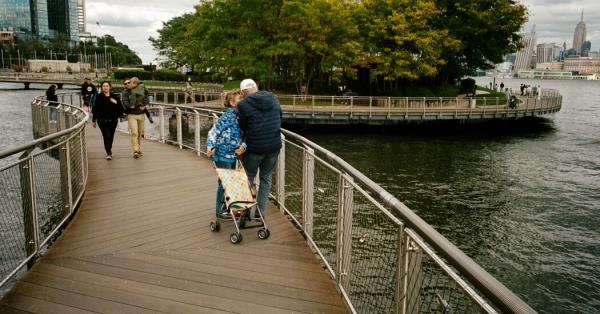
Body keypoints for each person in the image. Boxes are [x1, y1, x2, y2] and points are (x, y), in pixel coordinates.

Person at [237, 79, 282, 218]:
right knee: (266, 179)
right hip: (273, 146)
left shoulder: (243, 104)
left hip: (254, 147)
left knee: (248, 177)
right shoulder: (273, 98)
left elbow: (243, 126)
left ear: (243, 92)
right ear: (256, 87)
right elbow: (280, 117)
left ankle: (244, 213)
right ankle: (260, 214)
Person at [207, 89, 245, 218]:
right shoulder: (228, 117)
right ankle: (220, 211)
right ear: (232, 103)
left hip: (233, 155)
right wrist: (210, 146)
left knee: (229, 182)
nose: (244, 102)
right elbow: (213, 132)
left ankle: (229, 208)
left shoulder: (240, 116)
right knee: (225, 183)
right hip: (222, 155)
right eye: (241, 100)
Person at [92, 81, 125, 160]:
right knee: (106, 135)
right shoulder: (99, 97)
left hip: (113, 120)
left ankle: (109, 149)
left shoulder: (115, 97)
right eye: (104, 86)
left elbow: (121, 108)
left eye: (107, 86)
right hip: (102, 120)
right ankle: (109, 153)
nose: (105, 87)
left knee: (111, 136)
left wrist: (116, 103)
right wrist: (94, 120)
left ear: (110, 87)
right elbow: (95, 109)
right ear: (101, 87)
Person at [122, 77, 151, 158]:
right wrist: (130, 105)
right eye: (127, 83)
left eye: (130, 82)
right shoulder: (126, 92)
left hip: (141, 115)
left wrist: (144, 105)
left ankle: (138, 149)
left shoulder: (142, 90)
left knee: (139, 133)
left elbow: (147, 98)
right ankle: (135, 150)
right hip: (131, 115)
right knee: (134, 133)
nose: (128, 84)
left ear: (135, 84)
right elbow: (125, 102)